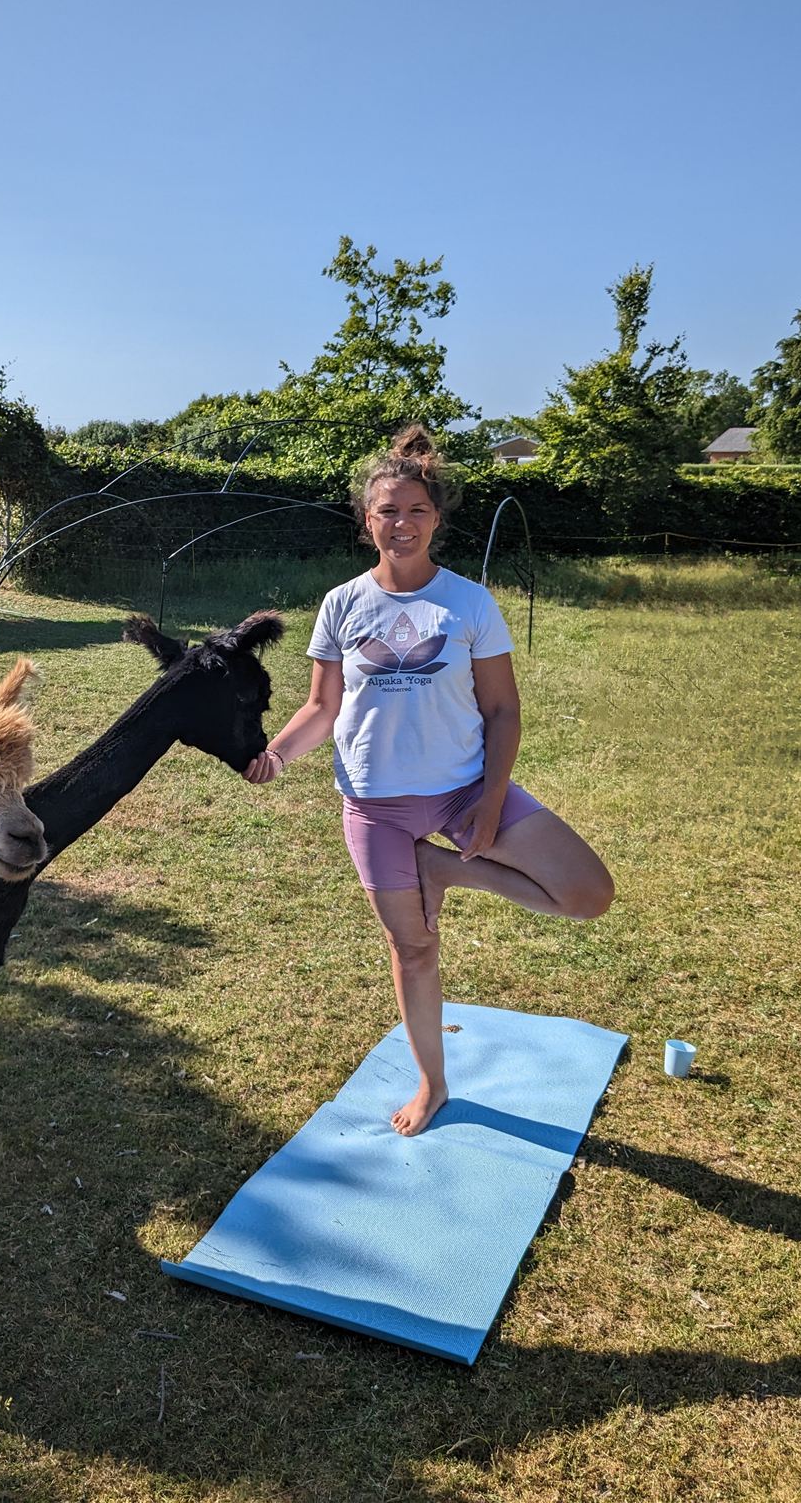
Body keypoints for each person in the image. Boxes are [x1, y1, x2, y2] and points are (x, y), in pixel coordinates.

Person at [244, 425, 614, 1137]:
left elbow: (503, 710)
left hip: (465, 791)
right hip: (375, 809)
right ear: (366, 521)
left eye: (416, 510)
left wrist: (493, 803)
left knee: (587, 895)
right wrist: (279, 756)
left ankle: (444, 871)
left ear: (436, 518)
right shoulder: (343, 604)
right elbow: (323, 707)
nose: (402, 524)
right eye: (388, 511)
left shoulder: (469, 603)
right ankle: (432, 1084)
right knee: (413, 949)